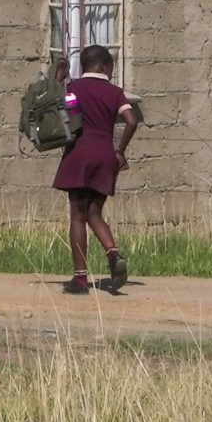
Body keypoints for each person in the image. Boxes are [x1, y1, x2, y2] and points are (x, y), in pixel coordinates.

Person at [51, 44, 138, 294]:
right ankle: (113, 254)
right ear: (102, 66)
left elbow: (63, 108)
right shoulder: (115, 92)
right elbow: (131, 120)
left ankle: (80, 279)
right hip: (105, 154)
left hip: (79, 153)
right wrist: (120, 150)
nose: (111, 71)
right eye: (110, 66)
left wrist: (59, 77)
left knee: (77, 216)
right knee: (94, 213)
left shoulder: (74, 88)